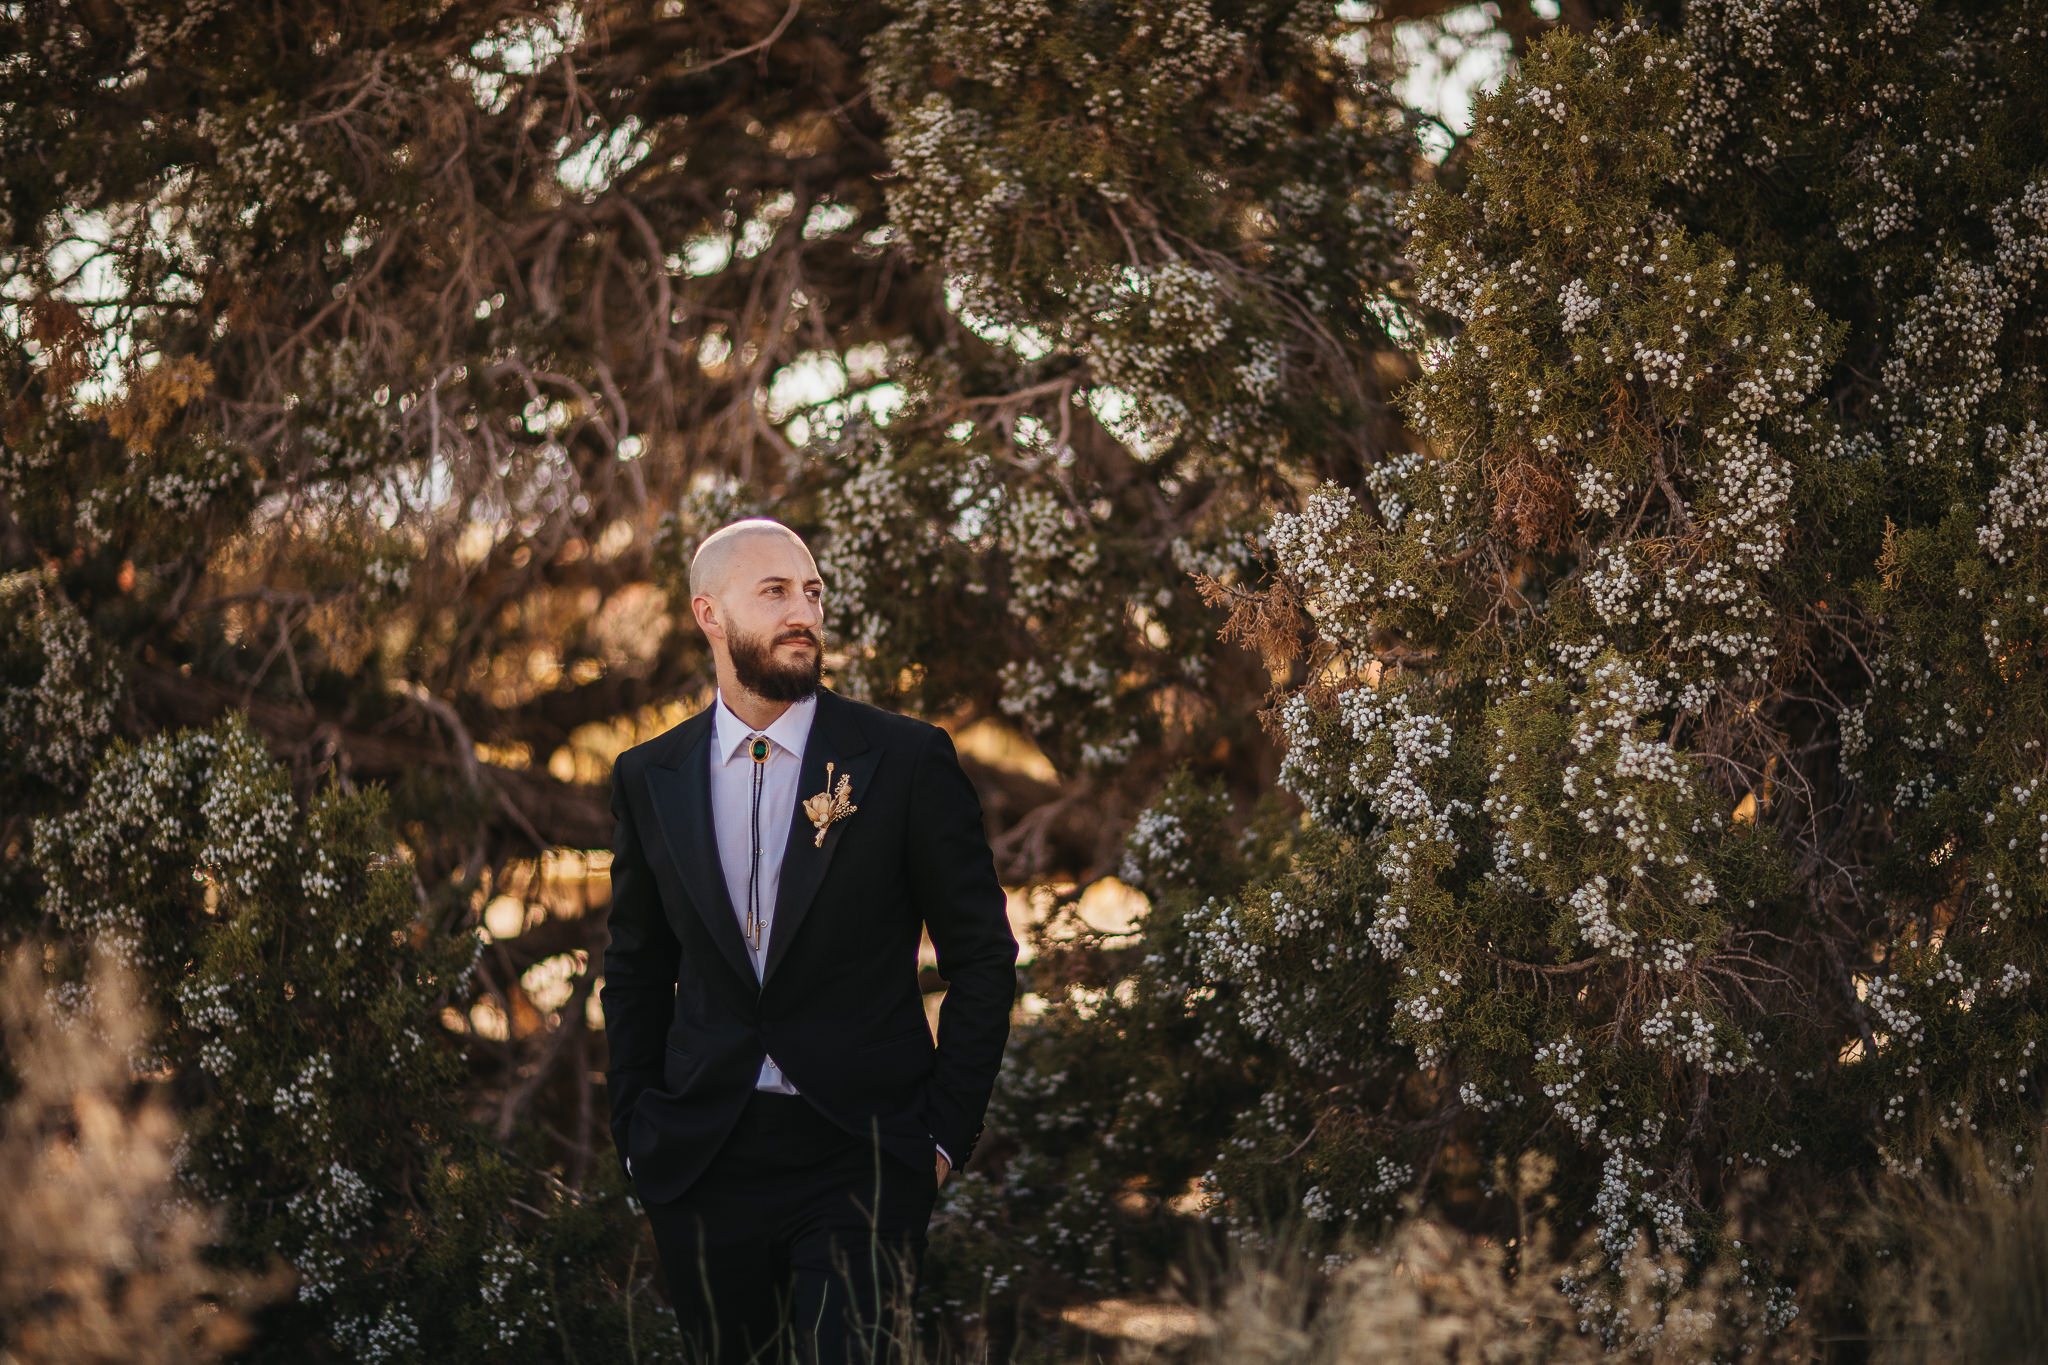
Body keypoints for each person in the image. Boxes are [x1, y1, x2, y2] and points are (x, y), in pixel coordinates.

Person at [601, 518, 1018, 1364]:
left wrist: (940, 1139)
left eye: (814, 591)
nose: (805, 612)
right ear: (709, 614)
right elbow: (636, 969)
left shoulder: (902, 760)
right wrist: (638, 1137)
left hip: (862, 1154)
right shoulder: (650, 776)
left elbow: (982, 957)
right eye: (777, 592)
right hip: (703, 1156)